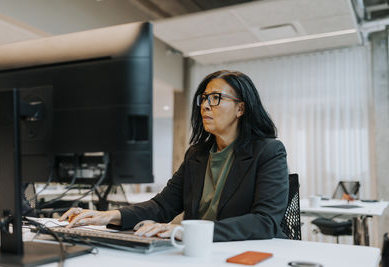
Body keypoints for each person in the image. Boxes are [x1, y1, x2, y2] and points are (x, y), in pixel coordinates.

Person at [60, 70, 289, 242]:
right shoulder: (197, 154)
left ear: (241, 109)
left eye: (216, 98)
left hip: (251, 253)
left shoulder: (268, 151)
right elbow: (162, 206)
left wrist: (187, 231)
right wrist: (109, 216)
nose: (205, 106)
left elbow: (265, 221)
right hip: (200, 252)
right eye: (204, 98)